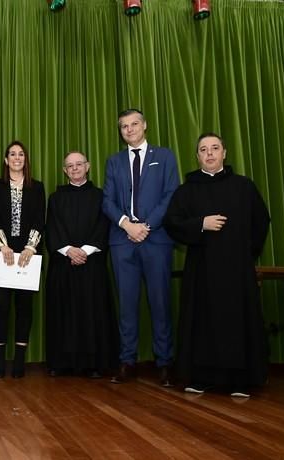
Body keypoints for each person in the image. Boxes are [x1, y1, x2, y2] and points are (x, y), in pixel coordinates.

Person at [164, 133, 270, 398]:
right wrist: (201, 224)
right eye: (203, 149)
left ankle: (240, 380)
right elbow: (172, 222)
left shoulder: (244, 187)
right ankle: (201, 377)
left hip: (237, 270)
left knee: (238, 321)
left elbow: (261, 221)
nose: (209, 153)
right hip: (202, 270)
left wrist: (246, 254)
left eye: (214, 148)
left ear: (225, 152)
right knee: (202, 322)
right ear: (197, 156)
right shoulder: (187, 190)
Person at [102, 109, 180, 387]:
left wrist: (146, 226)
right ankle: (127, 360)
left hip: (155, 239)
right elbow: (107, 201)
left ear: (145, 126)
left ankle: (165, 363)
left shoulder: (165, 156)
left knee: (160, 302)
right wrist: (127, 225)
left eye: (134, 124)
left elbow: (172, 194)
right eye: (124, 126)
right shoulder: (114, 162)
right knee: (127, 304)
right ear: (120, 131)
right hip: (123, 242)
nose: (130, 129)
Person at [45, 152, 118, 378]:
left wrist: (84, 251)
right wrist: (69, 251)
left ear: (88, 166)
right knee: (63, 314)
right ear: (64, 171)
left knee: (91, 314)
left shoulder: (101, 196)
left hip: (91, 266)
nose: (75, 169)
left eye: (79, 164)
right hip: (62, 267)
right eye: (70, 166)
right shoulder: (55, 198)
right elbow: (52, 229)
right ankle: (61, 362)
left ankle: (93, 363)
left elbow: (103, 227)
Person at [0, 140, 45, 378]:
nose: (17, 158)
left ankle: (19, 357)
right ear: (6, 159)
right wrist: (3, 246)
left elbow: (40, 219)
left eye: (21, 154)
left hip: (29, 256)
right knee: (0, 306)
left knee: (24, 306)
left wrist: (31, 247)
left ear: (25, 159)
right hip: (3, 254)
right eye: (12, 154)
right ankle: (0, 357)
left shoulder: (37, 187)